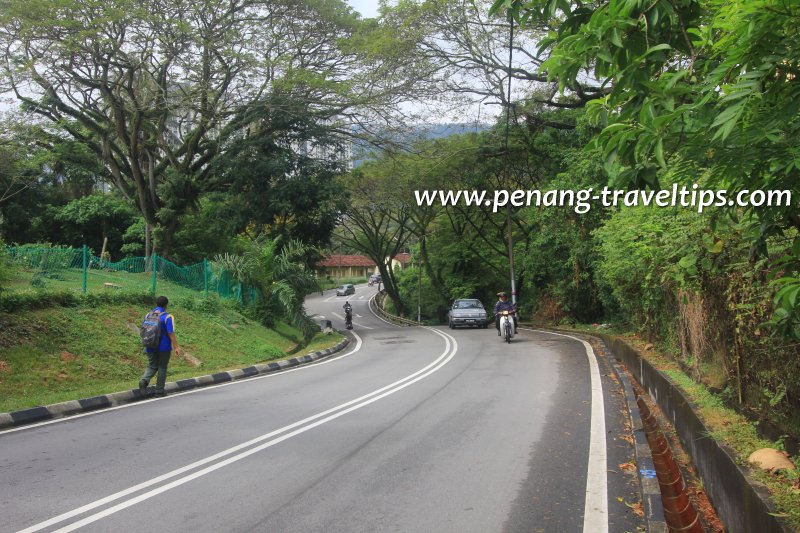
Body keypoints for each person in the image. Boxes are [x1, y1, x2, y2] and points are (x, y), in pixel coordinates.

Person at [139, 296, 180, 397]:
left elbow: (143, 329)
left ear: (156, 304)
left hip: (150, 345)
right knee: (162, 367)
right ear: (166, 305)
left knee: (152, 365)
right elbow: (171, 333)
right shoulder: (167, 317)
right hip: (164, 347)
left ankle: (144, 381)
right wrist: (176, 347)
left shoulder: (148, 315)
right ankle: (159, 391)